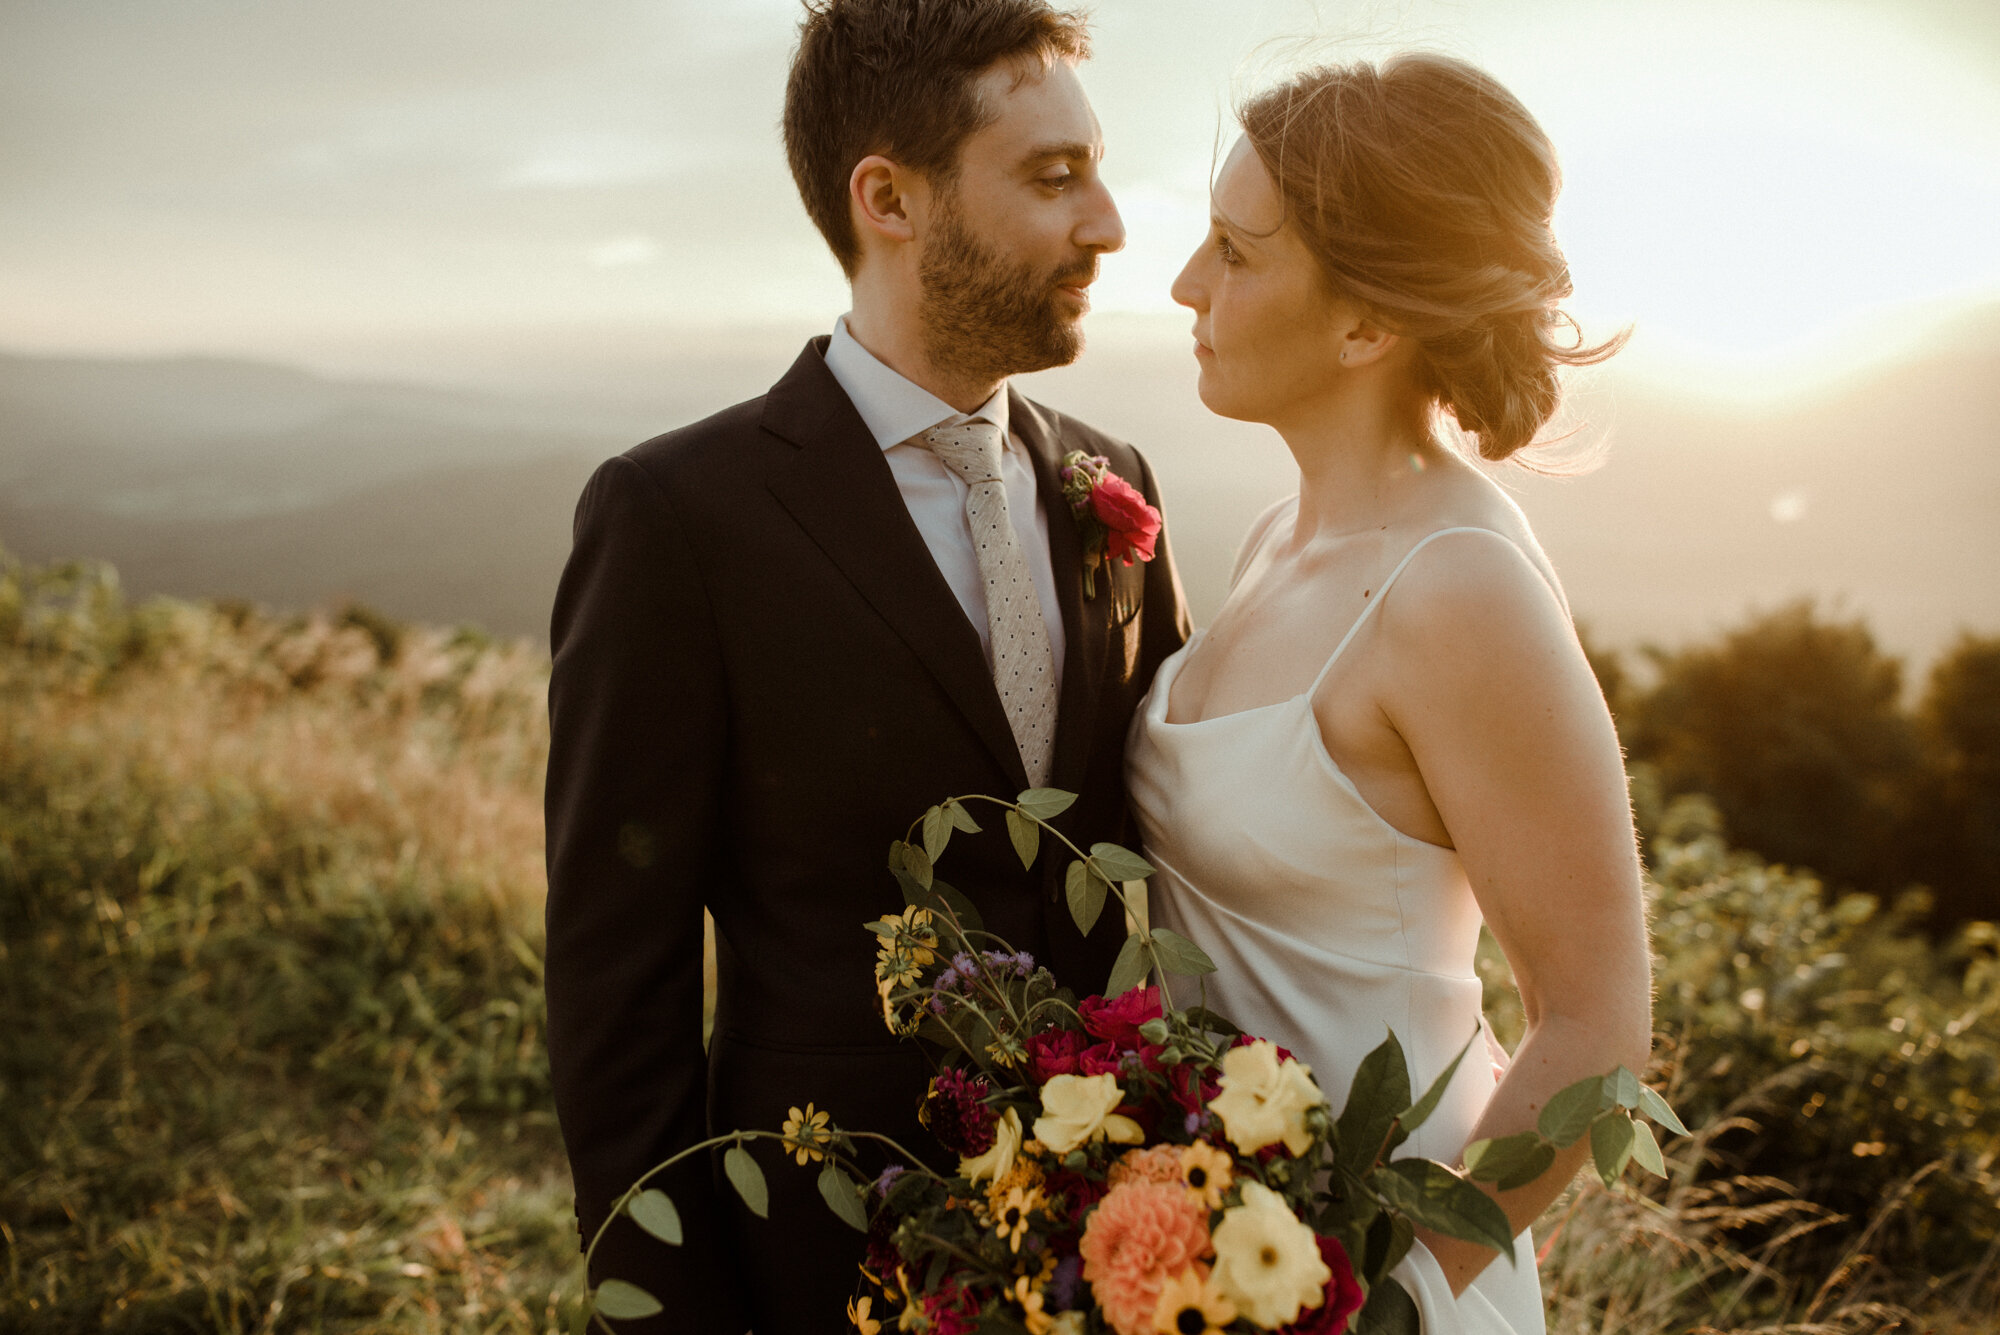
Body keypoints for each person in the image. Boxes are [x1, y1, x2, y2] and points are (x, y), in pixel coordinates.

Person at [542, 2, 1190, 1331]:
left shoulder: (1111, 483)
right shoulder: (679, 518)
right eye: (1054, 177)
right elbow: (618, 983)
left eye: (1098, 167)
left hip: (1115, 1260)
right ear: (889, 199)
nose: (1111, 224)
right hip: (813, 1266)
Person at [1126, 54, 1654, 1333]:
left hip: (1375, 1286)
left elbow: (1598, 1032)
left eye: (1236, 253)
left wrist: (1389, 1301)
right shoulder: (1270, 538)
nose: (1186, 284)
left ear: (1365, 325)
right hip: (1208, 1263)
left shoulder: (1454, 591)